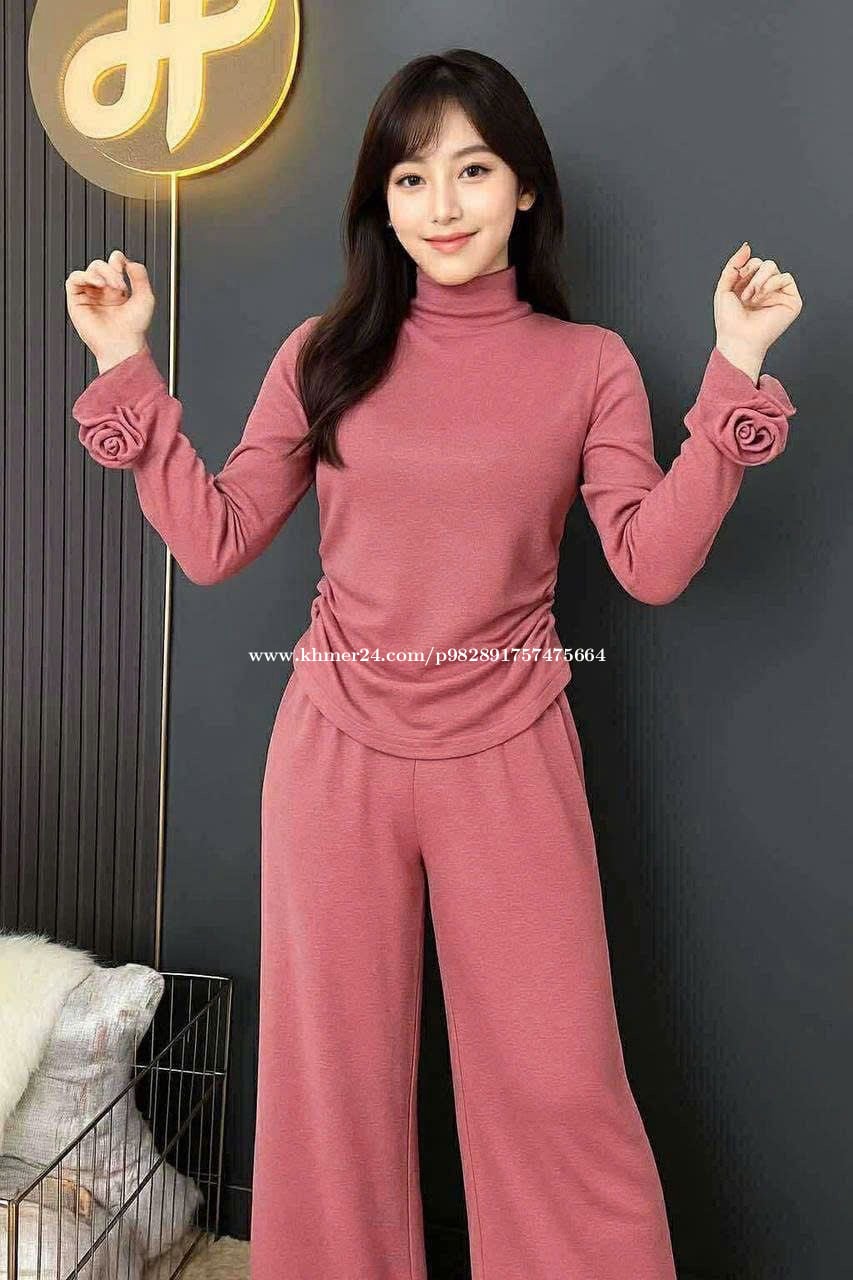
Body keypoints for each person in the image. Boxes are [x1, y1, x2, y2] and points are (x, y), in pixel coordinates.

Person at [65, 47, 801, 1280]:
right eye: (410, 178)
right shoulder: (323, 352)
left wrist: (736, 366)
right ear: (381, 201)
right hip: (332, 748)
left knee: (556, 1081)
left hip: (510, 750)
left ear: (525, 189)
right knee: (330, 1088)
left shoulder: (589, 363)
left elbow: (650, 560)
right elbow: (214, 537)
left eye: (472, 170)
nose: (442, 205)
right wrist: (122, 364)